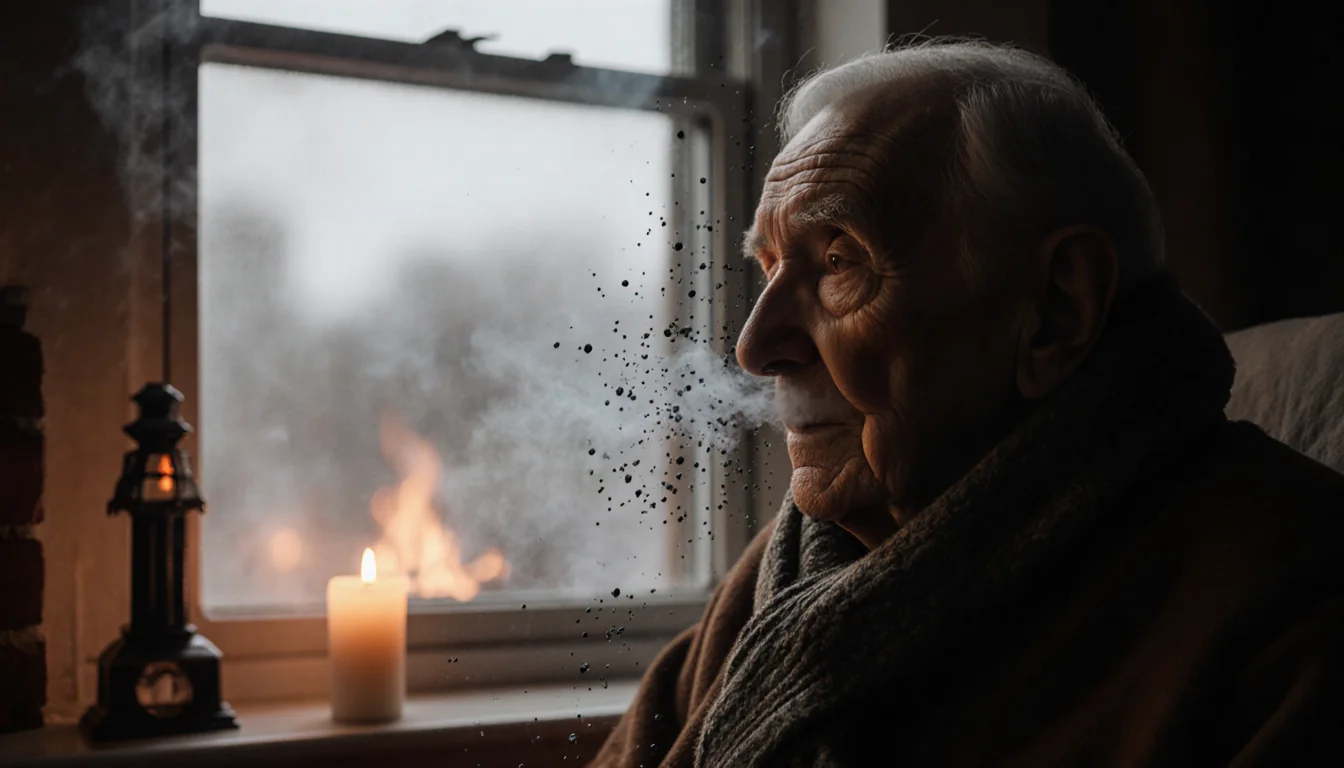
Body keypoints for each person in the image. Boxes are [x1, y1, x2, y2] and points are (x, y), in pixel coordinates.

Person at [590, 40, 1344, 767]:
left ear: (1055, 310)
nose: (755, 349)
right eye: (770, 267)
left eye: (838, 262)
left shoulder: (1290, 606)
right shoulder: (784, 578)